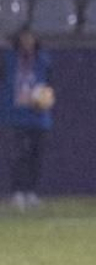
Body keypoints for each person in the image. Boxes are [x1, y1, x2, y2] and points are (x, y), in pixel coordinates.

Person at [5, 29, 53, 211]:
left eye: (30, 38)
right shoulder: (8, 60)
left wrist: (44, 99)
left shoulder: (43, 60)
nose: (27, 42)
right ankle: (17, 192)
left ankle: (31, 192)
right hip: (15, 116)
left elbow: (49, 85)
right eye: (24, 39)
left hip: (38, 117)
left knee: (36, 156)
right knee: (18, 156)